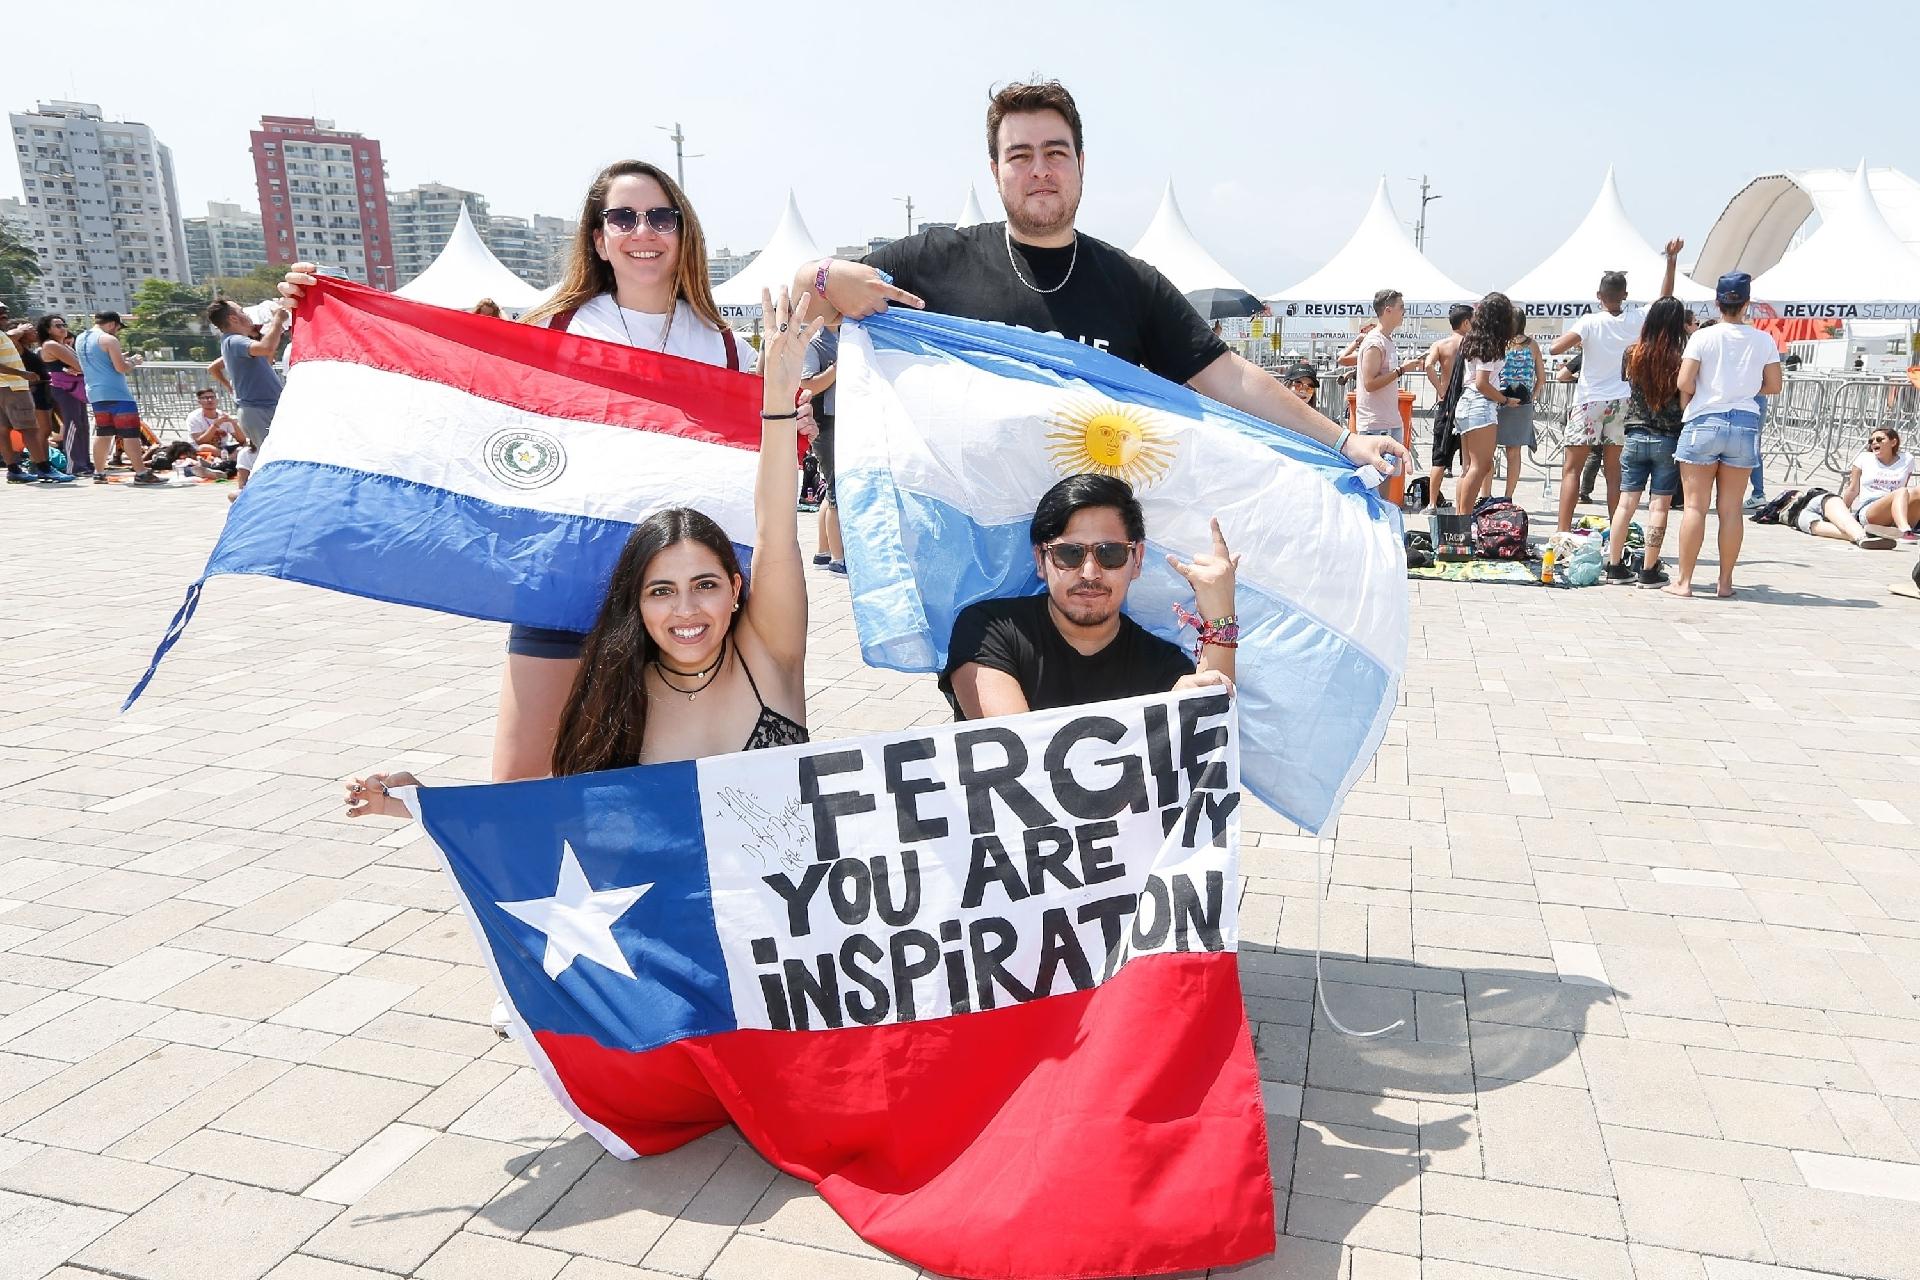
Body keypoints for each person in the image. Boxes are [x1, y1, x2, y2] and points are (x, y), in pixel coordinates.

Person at [283, 159, 779, 786]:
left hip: (675, 596)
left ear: (683, 232)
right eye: (623, 217)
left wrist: (789, 429)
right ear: (598, 238)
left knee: (661, 776)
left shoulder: (724, 345)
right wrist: (321, 308)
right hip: (565, 577)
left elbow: (750, 457)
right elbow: (452, 385)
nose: (643, 231)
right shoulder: (551, 328)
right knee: (523, 779)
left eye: (661, 216)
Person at [344, 285, 818, 811]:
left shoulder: (770, 652)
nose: (686, 609)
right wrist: (420, 802)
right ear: (636, 604)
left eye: (704, 584)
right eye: (661, 591)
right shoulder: (618, 698)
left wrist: (777, 404)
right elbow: (549, 816)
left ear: (735, 588)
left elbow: (776, 528)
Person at [793, 80, 1409, 479]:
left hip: (1095, 564)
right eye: (1020, 155)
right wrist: (822, 275)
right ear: (995, 169)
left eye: (1055, 152)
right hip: (971, 550)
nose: (1040, 170)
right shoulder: (936, 261)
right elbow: (799, 303)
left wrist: (1342, 441)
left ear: (1081, 164)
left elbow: (1232, 378)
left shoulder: (1132, 285)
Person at [940, 473, 1235, 719]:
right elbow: (1018, 752)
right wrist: (1162, 715)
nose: (1090, 573)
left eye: (1110, 553)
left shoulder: (1164, 665)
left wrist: (1221, 616)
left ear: (1137, 560)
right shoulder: (988, 631)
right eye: (1070, 554)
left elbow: (1210, 740)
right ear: (1040, 560)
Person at [1548, 240, 1682, 532]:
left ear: (1599, 295)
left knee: (1572, 470)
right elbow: (1665, 297)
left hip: (1588, 400)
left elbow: (1556, 348)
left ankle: (1562, 530)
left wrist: (1581, 343)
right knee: (1614, 473)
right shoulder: (1636, 319)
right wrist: (1671, 262)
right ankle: (1616, 530)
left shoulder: (1589, 322)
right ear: (1625, 295)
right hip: (1623, 402)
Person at [1667, 272, 1782, 599]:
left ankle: (1684, 582)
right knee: (1731, 509)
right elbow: (1774, 385)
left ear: (1718, 302)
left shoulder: (1703, 337)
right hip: (1744, 422)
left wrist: (1708, 389)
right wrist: (1745, 388)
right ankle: (1725, 581)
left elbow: (1684, 382)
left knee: (1695, 507)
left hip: (1704, 420)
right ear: (1747, 303)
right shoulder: (1763, 340)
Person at [1602, 298, 1690, 587]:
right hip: (1668, 437)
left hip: (1635, 434)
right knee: (1659, 507)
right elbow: (1685, 395)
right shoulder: (1681, 358)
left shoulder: (1632, 353)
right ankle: (1649, 570)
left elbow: (1628, 382)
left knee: (1625, 504)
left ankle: (1614, 565)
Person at [1450, 294, 1519, 514]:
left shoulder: (1473, 339)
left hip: (1466, 403)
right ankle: (1464, 519)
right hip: (1480, 405)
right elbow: (1482, 383)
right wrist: (1505, 399)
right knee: (1480, 467)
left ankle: (1460, 518)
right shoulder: (1490, 344)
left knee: (1468, 468)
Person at [207, 300, 288, 460]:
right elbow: (266, 348)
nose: (247, 315)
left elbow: (265, 353)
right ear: (233, 319)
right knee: (277, 459)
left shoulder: (234, 342)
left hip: (263, 408)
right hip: (258, 410)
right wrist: (278, 320)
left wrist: (275, 328)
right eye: (242, 311)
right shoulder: (234, 341)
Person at [73, 311, 147, 483]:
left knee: (103, 433)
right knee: (130, 434)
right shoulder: (109, 339)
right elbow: (121, 368)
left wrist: (119, 358)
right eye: (118, 328)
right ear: (113, 324)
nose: (117, 332)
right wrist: (134, 362)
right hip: (117, 392)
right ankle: (141, 473)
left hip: (95, 392)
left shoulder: (81, 338)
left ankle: (99, 473)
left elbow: (96, 361)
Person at [1352, 290, 1427, 442]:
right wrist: (1402, 370)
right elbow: (1370, 384)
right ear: (1388, 310)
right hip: (1376, 426)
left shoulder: (1385, 340)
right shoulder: (1375, 342)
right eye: (1401, 307)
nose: (1404, 312)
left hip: (1387, 422)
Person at [1420, 303, 1475, 512]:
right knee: (1468, 461)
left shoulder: (1441, 345)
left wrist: (1440, 387)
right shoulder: (1473, 345)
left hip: (1446, 405)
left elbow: (1428, 365)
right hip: (1468, 401)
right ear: (1466, 322)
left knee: (1439, 457)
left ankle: (1432, 503)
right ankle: (1464, 504)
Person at [802, 325, 844, 574]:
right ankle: (839, 560)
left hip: (842, 419)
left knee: (832, 488)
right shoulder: (815, 342)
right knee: (837, 488)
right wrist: (838, 366)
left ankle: (823, 552)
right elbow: (808, 385)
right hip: (826, 422)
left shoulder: (849, 333)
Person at [1496, 306, 1543, 502]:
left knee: (1487, 451)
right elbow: (1541, 378)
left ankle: (1485, 494)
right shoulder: (1533, 345)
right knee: (1514, 452)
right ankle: (1508, 496)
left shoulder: (1500, 343)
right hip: (1523, 402)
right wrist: (1532, 397)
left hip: (1499, 399)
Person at [1840, 426, 1919, 542]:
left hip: (1897, 507)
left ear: (1893, 442)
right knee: (1901, 491)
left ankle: (1890, 529)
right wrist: (1840, 514)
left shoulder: (1907, 459)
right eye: (1871, 441)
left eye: (1879, 439)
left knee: (1916, 490)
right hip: (1870, 508)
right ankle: (1904, 531)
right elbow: (1853, 490)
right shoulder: (1864, 458)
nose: (1874, 442)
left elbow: (1906, 487)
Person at [35, 315, 90, 476]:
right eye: (58, 326)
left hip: (75, 387)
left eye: (63, 324)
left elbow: (80, 366)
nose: (63, 328)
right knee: (73, 425)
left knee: (82, 425)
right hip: (65, 388)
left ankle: (84, 463)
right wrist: (74, 368)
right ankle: (75, 465)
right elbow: (80, 365)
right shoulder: (51, 344)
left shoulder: (63, 345)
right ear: (48, 330)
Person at [184, 387, 248, 479]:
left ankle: (224, 464)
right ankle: (228, 463)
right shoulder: (194, 417)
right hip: (202, 449)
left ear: (216, 400)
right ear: (199, 402)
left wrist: (233, 423)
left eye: (212, 397)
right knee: (205, 447)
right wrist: (215, 425)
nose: (210, 400)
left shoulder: (223, 415)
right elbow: (200, 441)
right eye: (205, 398)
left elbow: (242, 440)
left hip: (222, 449)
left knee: (246, 445)